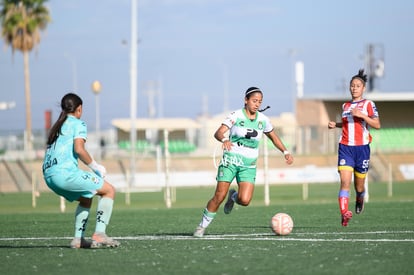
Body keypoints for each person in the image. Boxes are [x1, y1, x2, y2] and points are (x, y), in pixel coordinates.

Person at [193, 87, 294, 237]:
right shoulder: (236, 115)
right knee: (219, 196)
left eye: (260, 102)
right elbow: (218, 132)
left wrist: (285, 152)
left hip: (248, 165)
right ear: (246, 100)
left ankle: (233, 197)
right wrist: (225, 139)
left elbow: (274, 137)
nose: (257, 104)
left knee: (245, 200)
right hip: (231, 160)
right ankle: (201, 227)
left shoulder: (263, 120)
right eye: (254, 101)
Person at [42, 93, 120, 248]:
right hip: (64, 174)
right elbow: (79, 149)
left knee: (86, 197)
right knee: (109, 190)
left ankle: (78, 239)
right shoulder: (78, 124)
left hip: (49, 176)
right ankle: (99, 234)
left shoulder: (57, 126)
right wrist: (95, 167)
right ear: (78, 109)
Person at [328, 69, 381, 227]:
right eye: (352, 85)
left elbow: (377, 125)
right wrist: (336, 124)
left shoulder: (368, 104)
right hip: (345, 148)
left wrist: (363, 115)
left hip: (362, 149)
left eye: (357, 85)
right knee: (344, 182)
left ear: (363, 88)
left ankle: (360, 198)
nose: (354, 88)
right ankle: (344, 213)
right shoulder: (345, 105)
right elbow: (348, 124)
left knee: (359, 186)